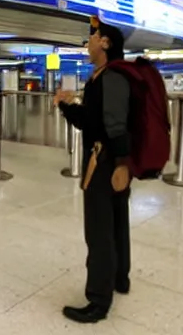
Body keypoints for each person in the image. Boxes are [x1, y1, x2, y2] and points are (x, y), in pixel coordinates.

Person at [54, 18, 131, 324]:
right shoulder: (105, 76)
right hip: (113, 160)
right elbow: (93, 118)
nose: (88, 43)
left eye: (93, 37)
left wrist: (122, 164)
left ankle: (98, 301)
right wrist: (67, 105)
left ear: (106, 43)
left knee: (99, 231)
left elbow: (111, 124)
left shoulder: (109, 77)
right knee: (116, 222)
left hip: (105, 162)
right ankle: (119, 279)